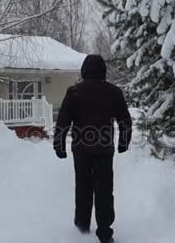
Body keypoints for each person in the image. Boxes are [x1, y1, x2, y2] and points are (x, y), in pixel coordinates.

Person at [53, 54, 132, 243]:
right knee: (104, 189)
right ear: (103, 71)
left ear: (84, 71)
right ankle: (105, 233)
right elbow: (125, 120)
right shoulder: (113, 92)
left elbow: (63, 121)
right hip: (104, 149)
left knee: (83, 187)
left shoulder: (74, 92)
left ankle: (82, 228)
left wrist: (59, 146)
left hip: (81, 149)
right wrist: (123, 143)